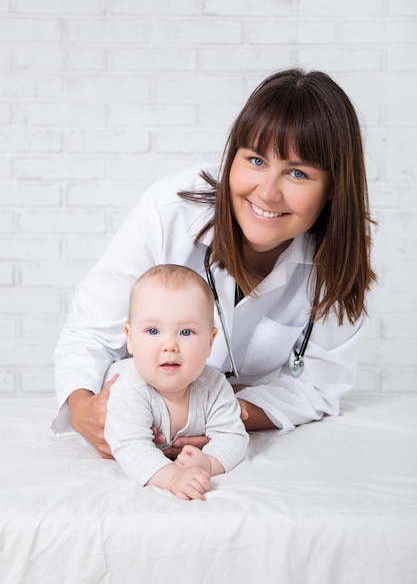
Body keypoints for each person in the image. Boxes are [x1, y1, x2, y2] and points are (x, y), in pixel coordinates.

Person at [52, 68, 376, 460]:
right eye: (256, 160)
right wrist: (83, 407)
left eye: (297, 172)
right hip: (132, 409)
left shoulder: (336, 258)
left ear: (332, 189)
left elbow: (319, 386)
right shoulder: (168, 212)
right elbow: (89, 333)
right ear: (232, 159)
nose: (268, 192)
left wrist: (224, 415)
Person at [104, 264, 249, 500]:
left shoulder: (214, 386)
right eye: (152, 331)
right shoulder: (130, 388)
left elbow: (233, 436)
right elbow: (131, 446)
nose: (170, 345)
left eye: (186, 332)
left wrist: (208, 464)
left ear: (211, 341)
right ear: (129, 338)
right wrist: (172, 477)